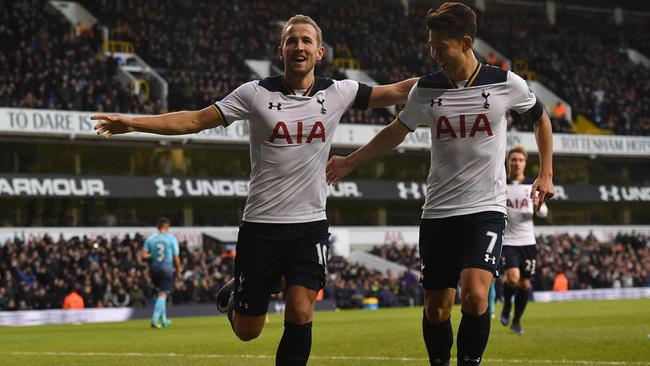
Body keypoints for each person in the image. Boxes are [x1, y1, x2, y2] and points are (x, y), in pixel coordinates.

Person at [92, 14, 415, 365]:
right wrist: (133, 122)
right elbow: (196, 119)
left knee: (301, 308)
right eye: (291, 40)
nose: (299, 46)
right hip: (261, 225)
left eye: (306, 41)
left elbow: (398, 91)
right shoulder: (254, 93)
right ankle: (238, 297)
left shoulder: (339, 92)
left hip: (310, 223)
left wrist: (452, 75)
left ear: (320, 52)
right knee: (249, 330)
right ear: (281, 50)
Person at [325, 3, 554, 365]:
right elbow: (397, 131)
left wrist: (546, 173)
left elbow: (542, 119)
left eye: (440, 46)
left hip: (486, 210)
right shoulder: (426, 89)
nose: (433, 53)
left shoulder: (506, 83)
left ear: (466, 43)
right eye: (430, 46)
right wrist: (350, 161)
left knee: (477, 296)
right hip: (439, 212)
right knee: (436, 309)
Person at [500, 145, 548, 335]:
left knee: (525, 284)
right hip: (508, 241)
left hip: (528, 242)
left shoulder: (533, 185)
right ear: (508, 162)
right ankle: (505, 308)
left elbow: (544, 213)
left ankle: (517, 321)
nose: (517, 163)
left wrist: (538, 206)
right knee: (513, 278)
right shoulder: (500, 184)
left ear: (525, 163)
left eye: (520, 160)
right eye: (513, 160)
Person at [141, 217, 181, 329]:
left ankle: (163, 320)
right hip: (166, 268)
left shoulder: (150, 239)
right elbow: (176, 258)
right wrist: (178, 271)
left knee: (161, 293)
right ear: (167, 226)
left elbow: (143, 255)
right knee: (163, 294)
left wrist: (152, 256)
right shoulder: (171, 238)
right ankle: (154, 319)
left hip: (154, 269)